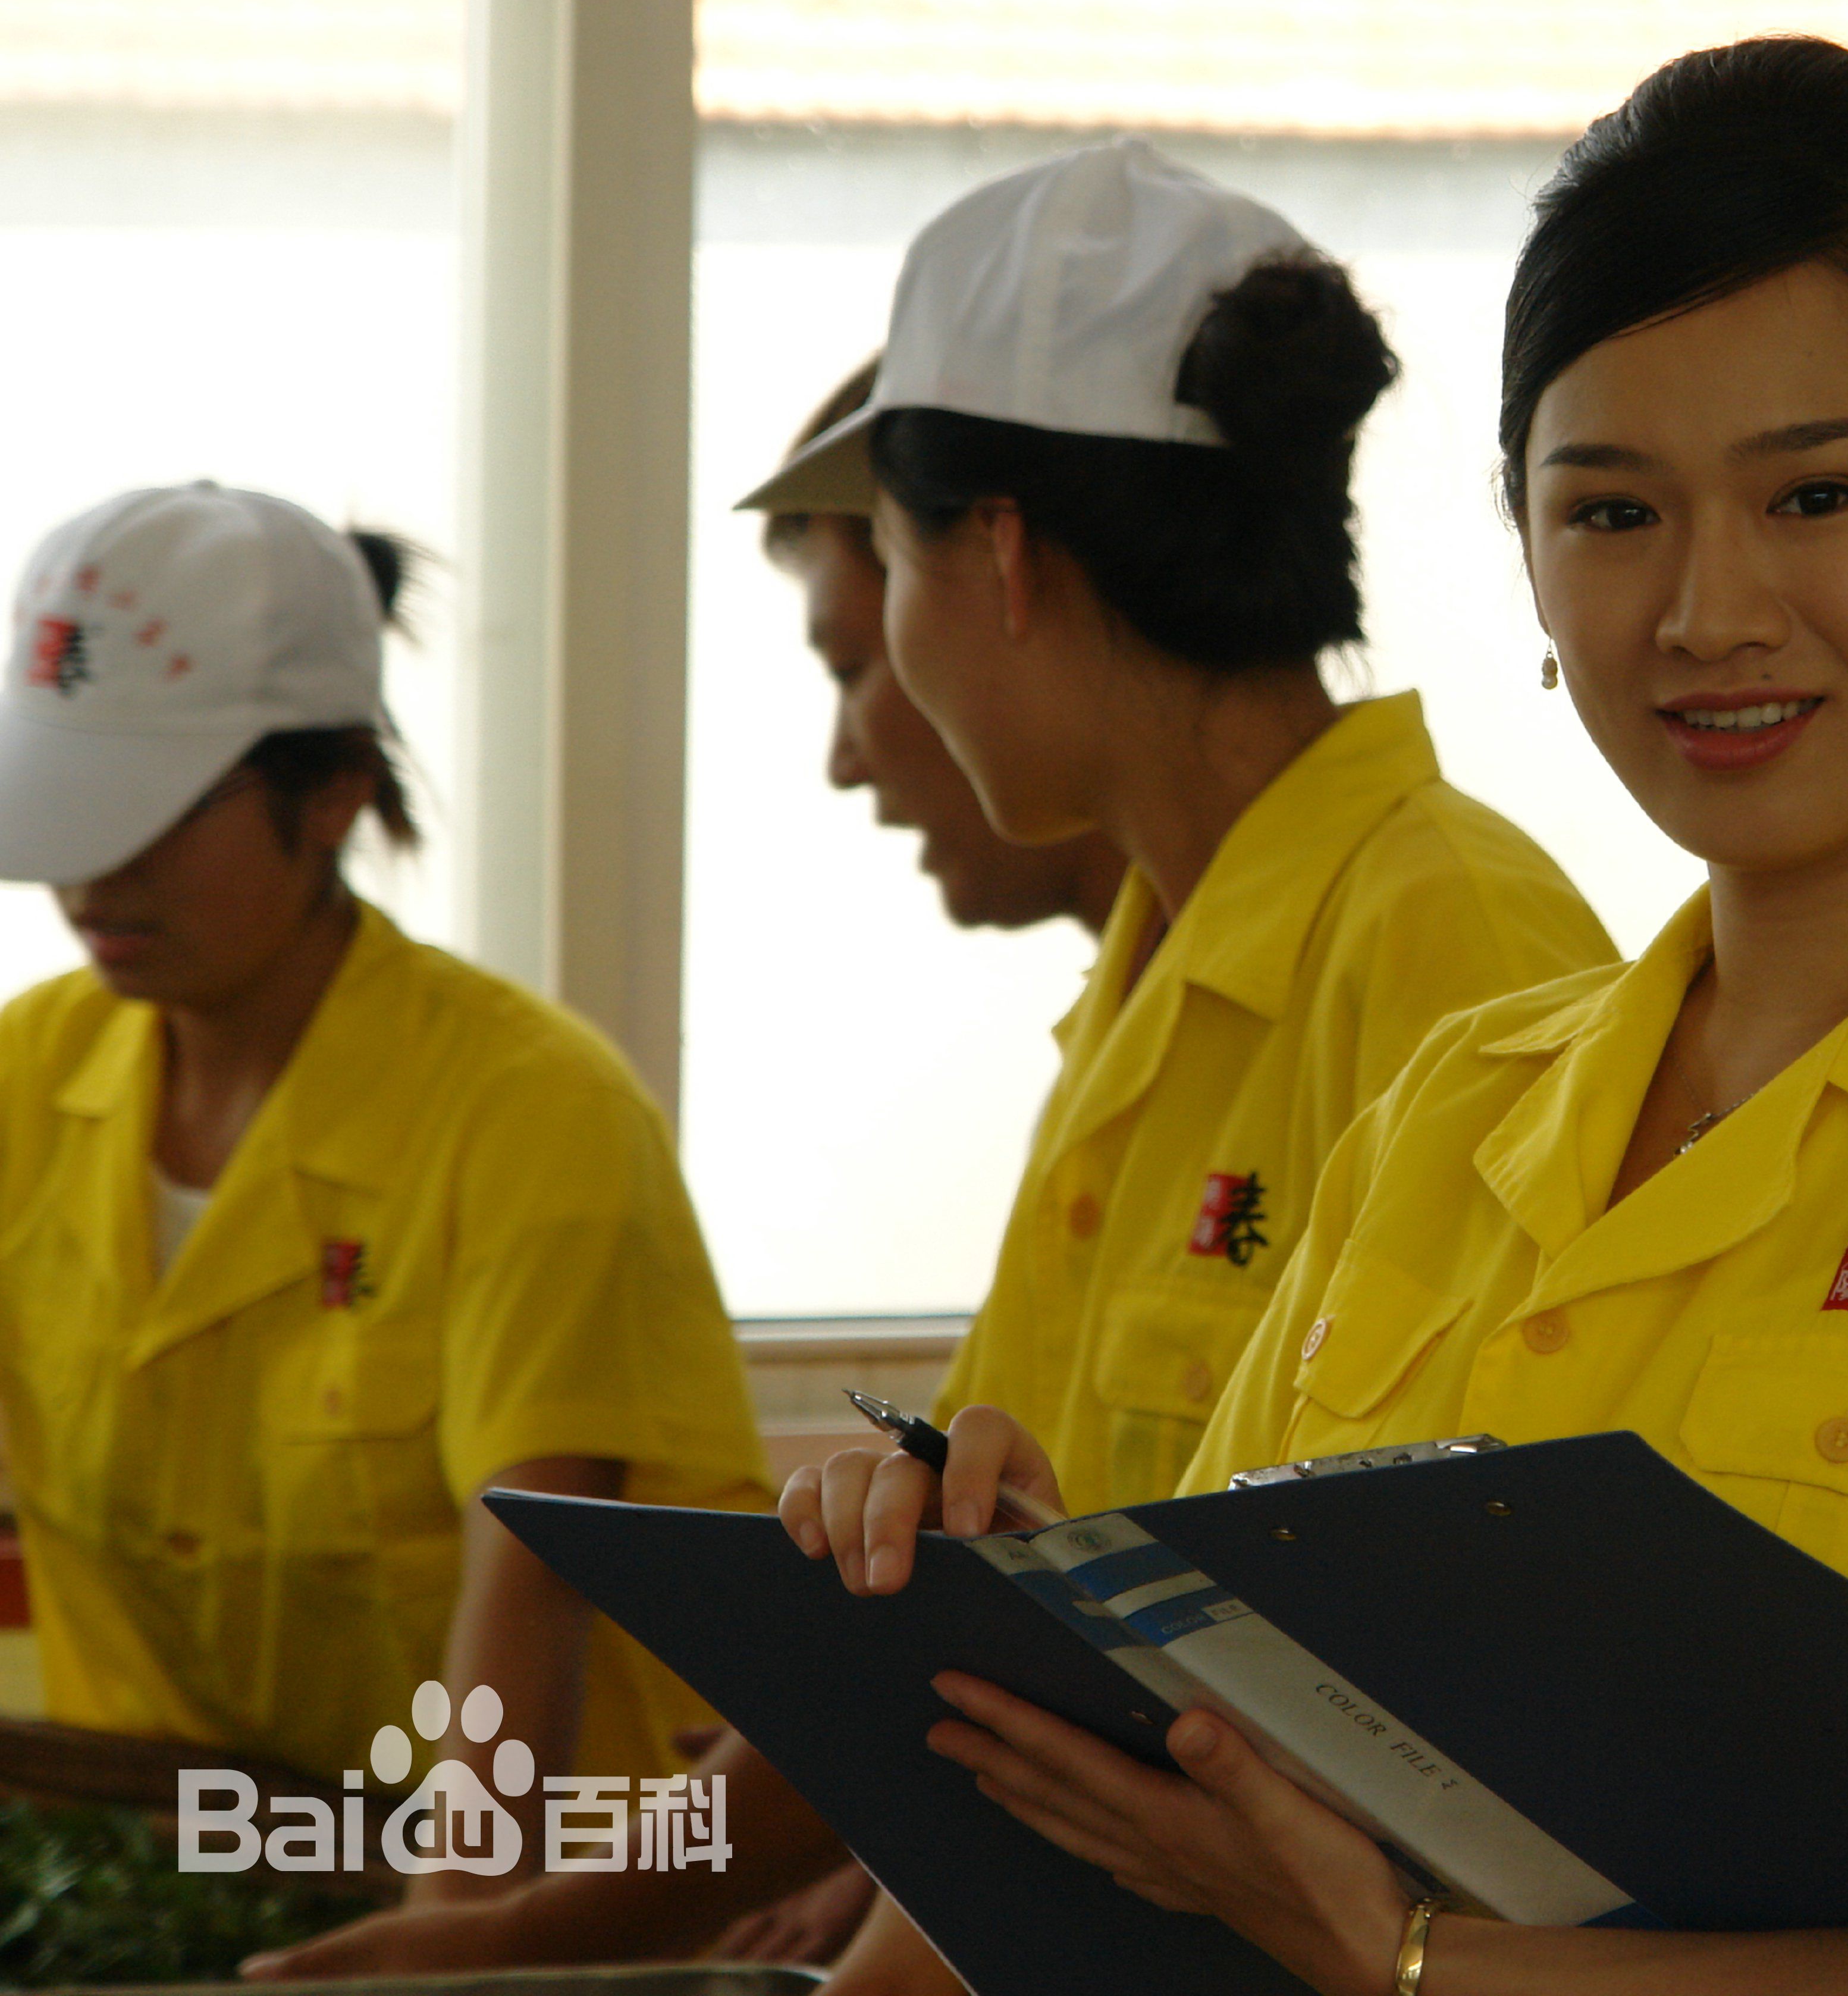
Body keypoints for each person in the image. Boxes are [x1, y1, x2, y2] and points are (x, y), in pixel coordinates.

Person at [787, 41, 1848, 1996]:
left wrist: (1403, 1960)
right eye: (1613, 512)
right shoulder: (1445, 1123)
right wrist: (1034, 1611)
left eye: (1818, 493)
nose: (1709, 612)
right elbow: (1257, 1776)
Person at [294, 138, 1617, 1984]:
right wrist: (512, 1929)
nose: (868, 725)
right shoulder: (1159, 984)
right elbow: (982, 1659)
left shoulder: (1445, 950)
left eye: (889, 586)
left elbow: (1414, 1718)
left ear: (993, 552)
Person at [0, 482, 773, 1876]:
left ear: (336, 788)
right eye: (70, 808)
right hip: (184, 1868)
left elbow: (520, 1638)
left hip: (546, 1897)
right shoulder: (26, 1079)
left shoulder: (530, 1114)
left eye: (155, 815)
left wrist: (428, 1968)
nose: (94, 877)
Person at [767, 353, 1124, 938]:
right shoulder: (1149, 997)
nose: (844, 766)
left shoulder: (1321, 976)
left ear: (1009, 567)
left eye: (849, 669)